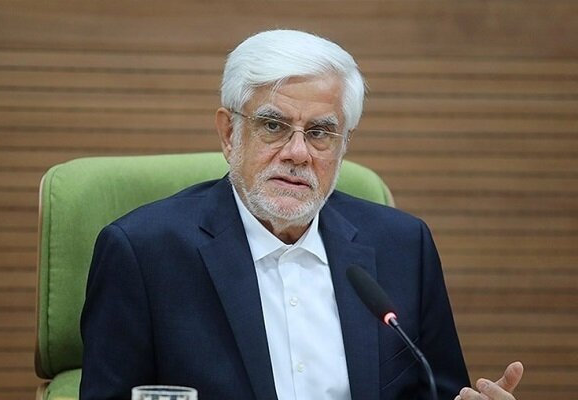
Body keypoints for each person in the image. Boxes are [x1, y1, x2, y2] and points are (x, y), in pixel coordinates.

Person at [80, 29, 523, 400]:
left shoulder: (404, 247)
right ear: (229, 133)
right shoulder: (143, 253)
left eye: (320, 132)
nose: (297, 153)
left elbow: (438, 389)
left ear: (344, 145)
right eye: (273, 126)